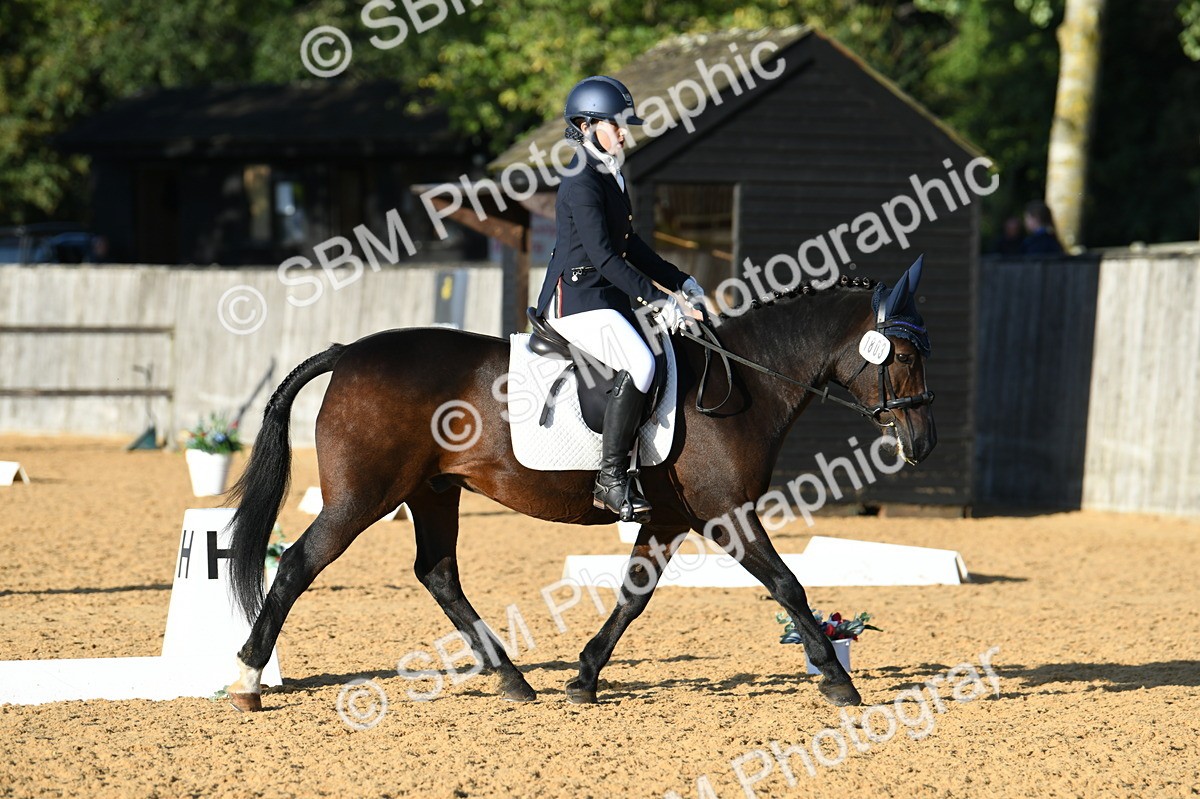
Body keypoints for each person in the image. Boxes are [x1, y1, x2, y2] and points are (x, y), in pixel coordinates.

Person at [534, 75, 704, 522]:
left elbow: (632, 246)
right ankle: (610, 480)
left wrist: (681, 281)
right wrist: (657, 301)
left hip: (605, 297)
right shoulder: (581, 182)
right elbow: (606, 259)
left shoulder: (610, 174)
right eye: (617, 124)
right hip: (576, 299)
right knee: (642, 364)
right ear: (587, 126)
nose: (625, 132)